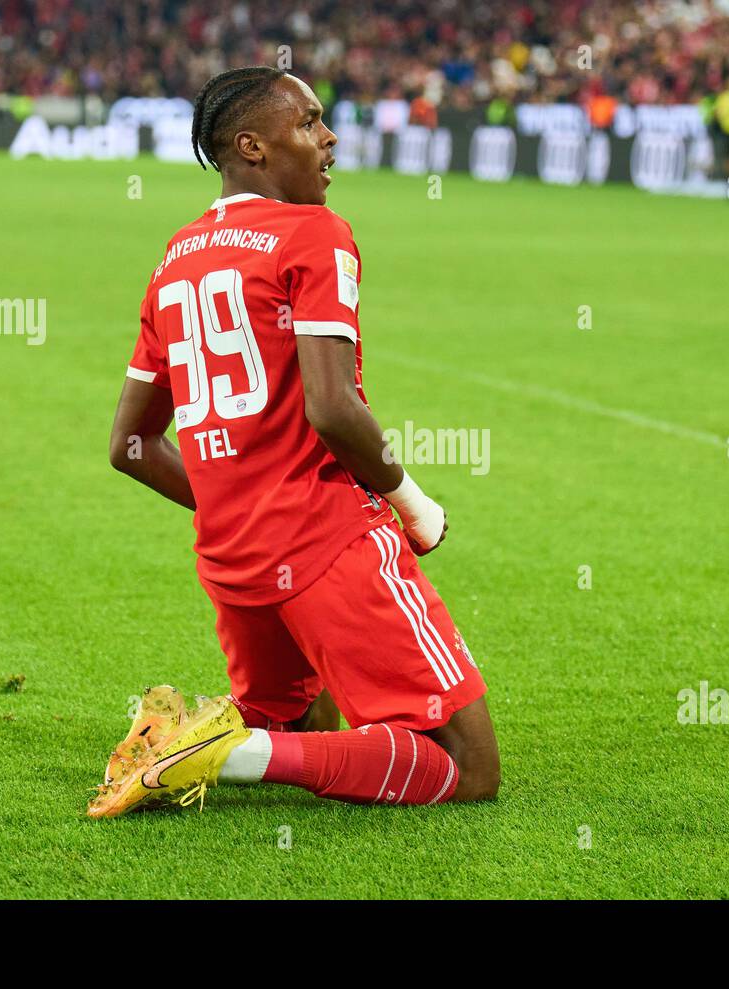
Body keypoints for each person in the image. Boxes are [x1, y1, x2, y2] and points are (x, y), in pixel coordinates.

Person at [88, 66, 499, 818]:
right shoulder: (315, 233)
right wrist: (412, 502)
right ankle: (224, 749)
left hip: (232, 562)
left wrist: (230, 504)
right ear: (252, 146)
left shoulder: (173, 259)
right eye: (309, 122)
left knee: (309, 726)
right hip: (326, 540)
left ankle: (231, 746)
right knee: (464, 763)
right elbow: (333, 409)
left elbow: (131, 446)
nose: (330, 137)